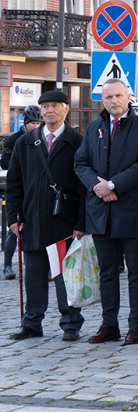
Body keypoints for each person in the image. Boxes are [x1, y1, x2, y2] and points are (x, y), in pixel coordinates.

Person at [74, 79, 138, 344]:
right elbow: (80, 163)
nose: (113, 101)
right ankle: (109, 324)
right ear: (103, 99)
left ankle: (136, 326)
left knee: (135, 272)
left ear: (128, 97)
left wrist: (112, 185)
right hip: (101, 212)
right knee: (107, 271)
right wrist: (98, 186)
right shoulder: (95, 128)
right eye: (108, 96)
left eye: (118, 96)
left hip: (132, 210)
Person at [6, 90, 87, 341]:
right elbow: (14, 183)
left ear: (66, 109)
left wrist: (81, 222)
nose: (49, 110)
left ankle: (71, 323)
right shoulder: (26, 141)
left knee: (66, 276)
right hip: (31, 219)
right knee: (34, 275)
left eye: (55, 105)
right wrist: (12, 218)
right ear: (40, 111)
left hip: (64, 222)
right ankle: (32, 322)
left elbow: (85, 187)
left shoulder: (78, 141)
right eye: (45, 106)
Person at [2, 105, 43, 280]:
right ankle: (7, 266)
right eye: (33, 123)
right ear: (25, 123)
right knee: (14, 229)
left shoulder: (43, 138)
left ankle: (45, 266)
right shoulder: (14, 140)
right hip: (20, 188)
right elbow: (4, 163)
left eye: (38, 123)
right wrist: (19, 163)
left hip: (38, 189)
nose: (36, 126)